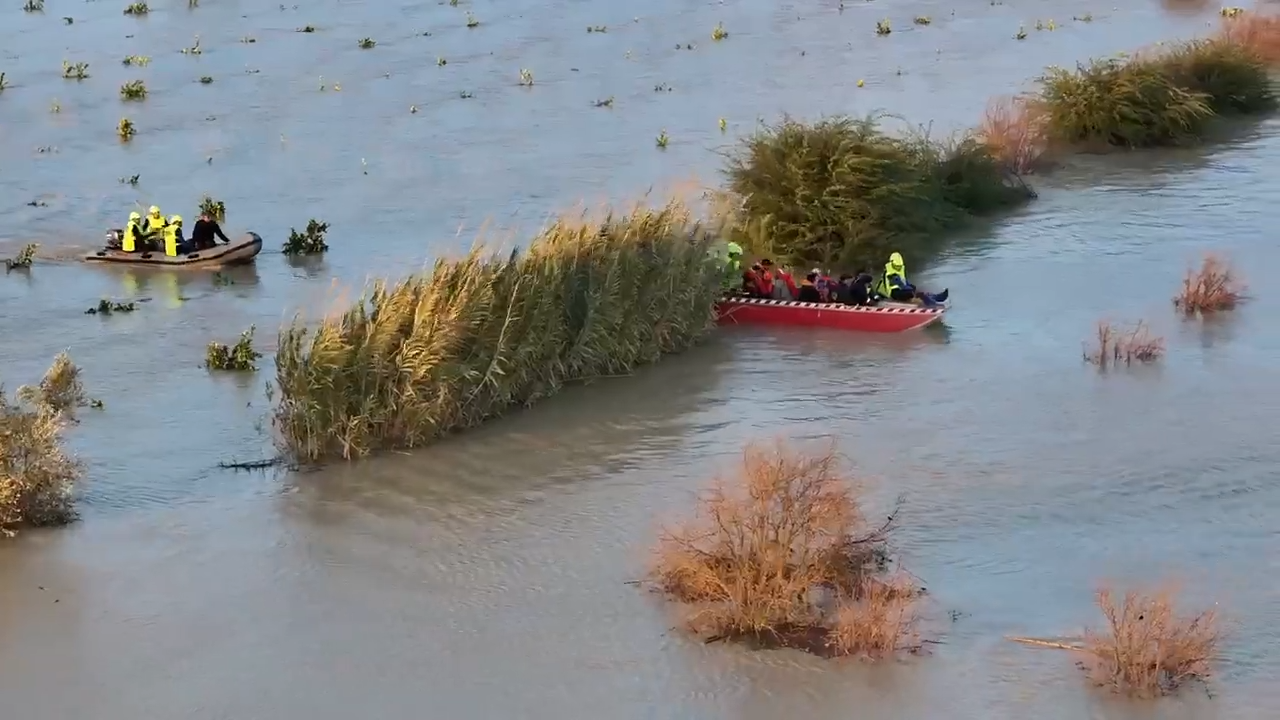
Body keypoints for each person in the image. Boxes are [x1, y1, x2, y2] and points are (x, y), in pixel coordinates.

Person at [875, 252, 949, 306]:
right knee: (912, 292)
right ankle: (932, 303)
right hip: (894, 292)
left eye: (899, 266)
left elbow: (904, 282)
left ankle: (936, 297)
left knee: (914, 289)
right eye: (897, 266)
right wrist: (912, 290)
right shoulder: (890, 273)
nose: (899, 268)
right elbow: (900, 284)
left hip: (900, 290)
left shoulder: (900, 269)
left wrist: (912, 287)